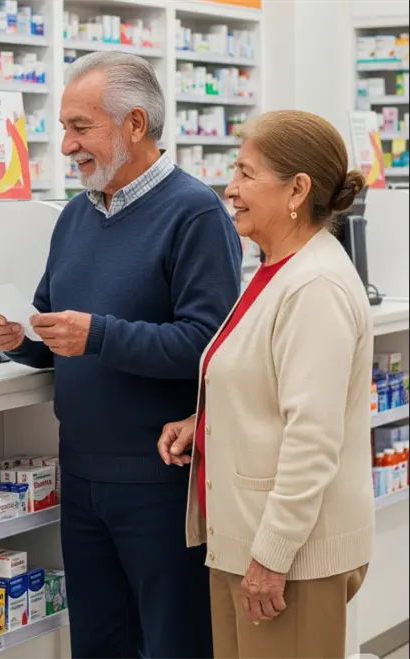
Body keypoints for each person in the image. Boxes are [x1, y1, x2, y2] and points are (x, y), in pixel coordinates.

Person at [0, 52, 242, 659]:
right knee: (98, 642)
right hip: (80, 472)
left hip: (160, 478)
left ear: (132, 125)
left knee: (173, 641)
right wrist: (18, 338)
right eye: (65, 128)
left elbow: (208, 344)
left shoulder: (195, 213)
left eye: (80, 126)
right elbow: (57, 334)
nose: (67, 145)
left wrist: (96, 334)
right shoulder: (75, 215)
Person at [157, 110, 374, 659]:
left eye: (247, 173)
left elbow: (313, 437)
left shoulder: (315, 286)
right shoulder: (274, 268)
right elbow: (266, 386)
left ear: (297, 188)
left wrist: (272, 557)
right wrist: (202, 423)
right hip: (244, 544)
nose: (230, 188)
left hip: (287, 559)